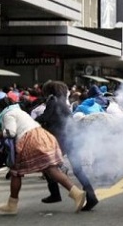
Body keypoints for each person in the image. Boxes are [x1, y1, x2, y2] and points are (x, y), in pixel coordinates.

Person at [0, 98, 86, 214]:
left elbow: (10, 132)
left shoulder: (8, 114)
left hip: (30, 141)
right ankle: (76, 193)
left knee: (16, 172)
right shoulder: (19, 111)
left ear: (0, 108)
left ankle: (12, 205)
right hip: (42, 136)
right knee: (50, 169)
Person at [36, 81, 99, 211]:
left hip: (61, 138)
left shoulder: (53, 100)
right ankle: (91, 196)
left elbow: (46, 117)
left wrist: (32, 120)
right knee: (77, 170)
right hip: (72, 137)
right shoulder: (62, 101)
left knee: (48, 165)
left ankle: (55, 194)